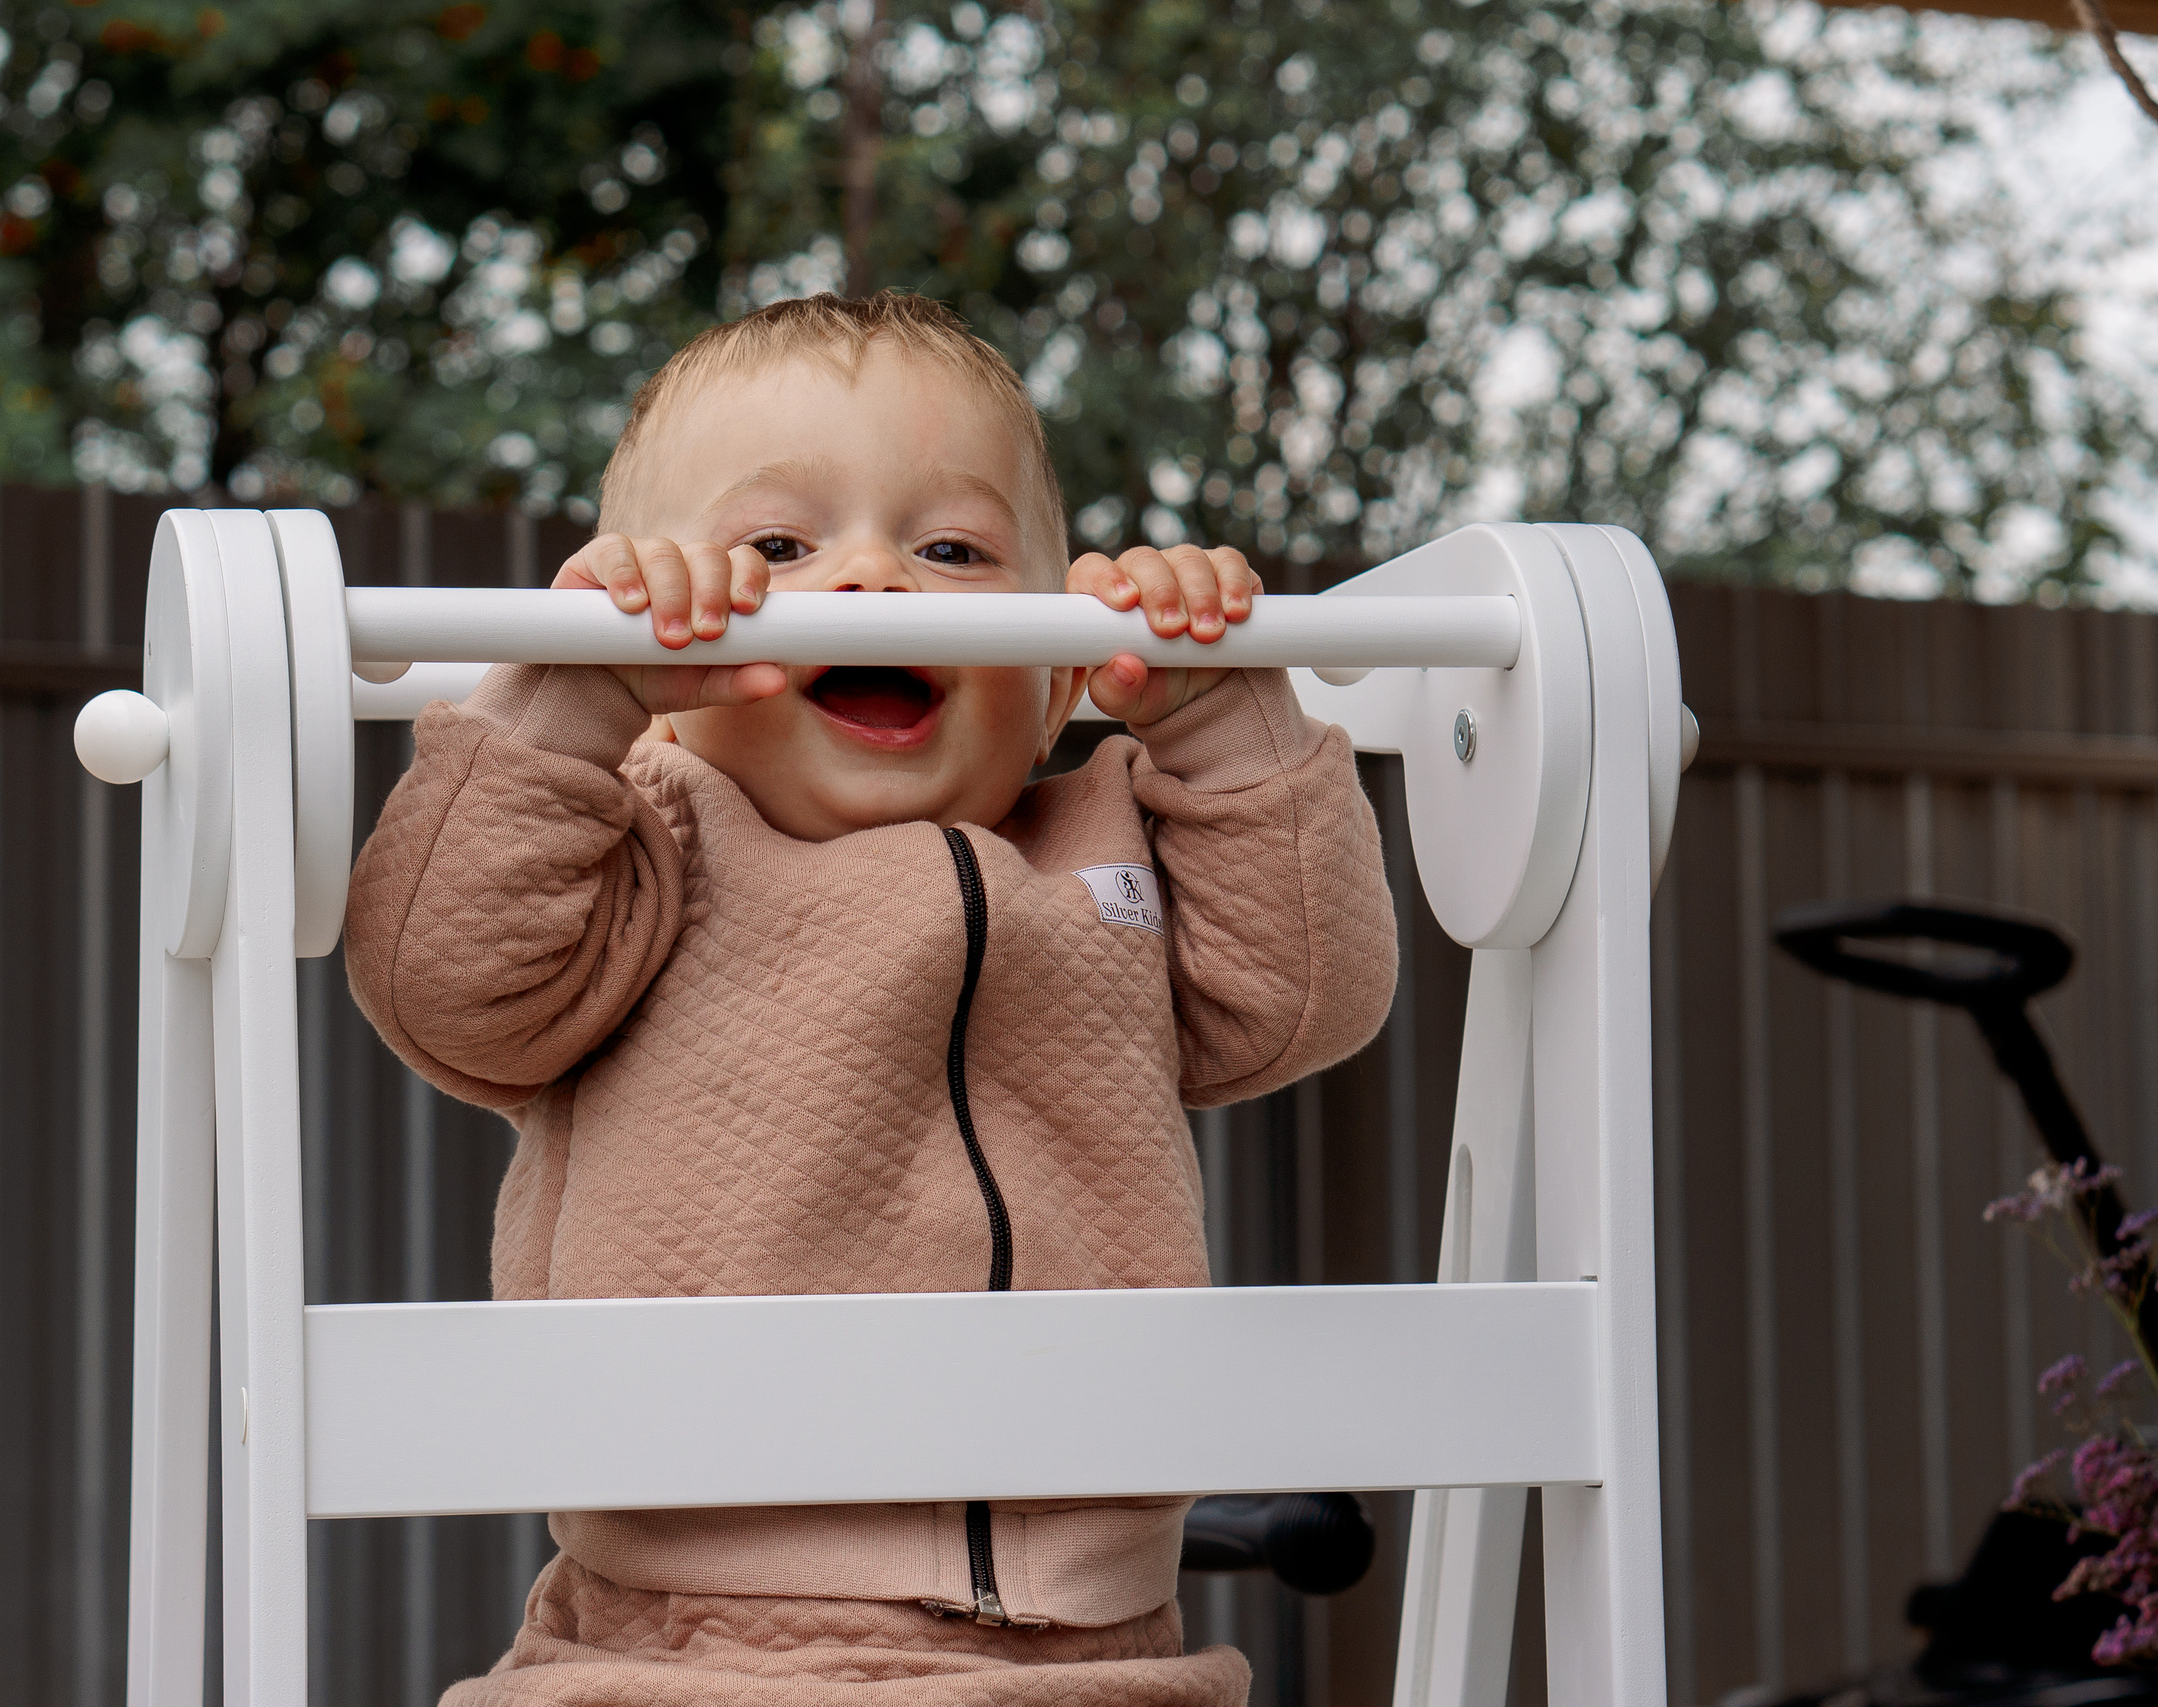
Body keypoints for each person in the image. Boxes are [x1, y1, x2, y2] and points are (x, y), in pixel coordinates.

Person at [344, 291, 1398, 1707]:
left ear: (1059, 672)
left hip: (1097, 1657)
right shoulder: (644, 846)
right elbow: (445, 990)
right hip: (687, 1655)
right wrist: (567, 703)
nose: (873, 581)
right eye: (776, 548)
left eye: (954, 549)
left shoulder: (1108, 850)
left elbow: (1303, 1002)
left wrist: (1218, 711)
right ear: (665, 674)